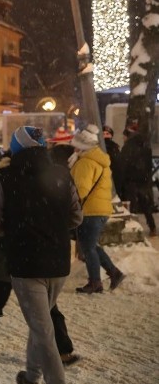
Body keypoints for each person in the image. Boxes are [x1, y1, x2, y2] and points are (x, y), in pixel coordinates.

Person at [0, 126, 82, 384]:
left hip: (25, 263)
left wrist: (13, 231)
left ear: (15, 149)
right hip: (59, 262)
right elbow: (76, 217)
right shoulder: (62, 174)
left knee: (42, 329)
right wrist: (55, 229)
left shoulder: (5, 177)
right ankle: (31, 377)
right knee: (41, 324)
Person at [70, 125, 126, 293]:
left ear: (83, 146)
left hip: (90, 210)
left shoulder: (85, 163)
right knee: (90, 245)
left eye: (76, 144)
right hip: (100, 208)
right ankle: (113, 273)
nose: (74, 147)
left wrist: (69, 201)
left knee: (88, 247)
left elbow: (81, 189)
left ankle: (96, 282)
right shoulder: (100, 161)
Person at [117, 123, 157, 237]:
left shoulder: (128, 146)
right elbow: (149, 164)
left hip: (131, 180)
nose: (123, 139)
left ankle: (133, 229)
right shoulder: (145, 145)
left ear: (127, 135)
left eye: (124, 136)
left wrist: (122, 179)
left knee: (131, 205)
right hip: (143, 180)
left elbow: (123, 164)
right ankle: (152, 227)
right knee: (145, 205)